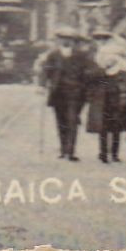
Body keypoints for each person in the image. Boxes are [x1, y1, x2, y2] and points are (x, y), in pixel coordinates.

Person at [40, 29, 91, 161]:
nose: (66, 41)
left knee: (72, 120)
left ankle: (71, 151)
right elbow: (46, 71)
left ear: (73, 41)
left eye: (69, 39)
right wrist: (42, 85)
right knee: (61, 121)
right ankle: (63, 149)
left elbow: (90, 70)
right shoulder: (53, 55)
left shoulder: (81, 55)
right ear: (59, 40)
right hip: (58, 92)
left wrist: (87, 82)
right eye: (63, 38)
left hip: (76, 93)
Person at [86, 27, 126, 163]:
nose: (101, 41)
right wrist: (102, 69)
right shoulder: (93, 56)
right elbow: (89, 75)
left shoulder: (119, 56)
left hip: (116, 93)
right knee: (103, 124)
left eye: (104, 39)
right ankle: (102, 152)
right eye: (98, 39)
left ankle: (114, 153)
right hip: (100, 94)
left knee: (116, 124)